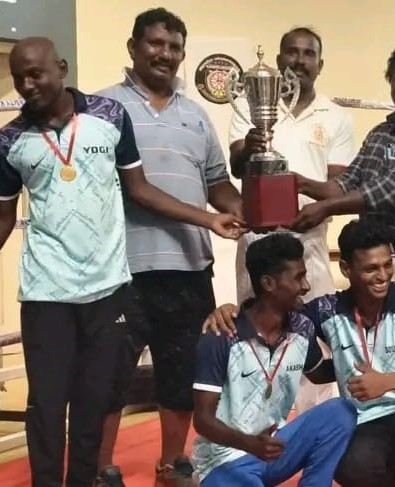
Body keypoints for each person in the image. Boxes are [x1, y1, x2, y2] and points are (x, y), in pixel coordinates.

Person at [0, 37, 241, 487]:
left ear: (61, 69)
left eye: (36, 74)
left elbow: (140, 188)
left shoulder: (109, 116)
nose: (27, 84)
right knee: (47, 406)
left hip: (107, 288)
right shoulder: (10, 140)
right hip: (45, 291)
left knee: (93, 402)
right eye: (19, 77)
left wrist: (209, 219)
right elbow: (3, 219)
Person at [95, 9, 245, 485]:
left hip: (188, 266)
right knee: (110, 375)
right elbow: (127, 188)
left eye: (175, 47)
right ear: (133, 47)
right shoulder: (102, 108)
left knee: (181, 373)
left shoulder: (196, 115)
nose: (165, 54)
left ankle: (172, 463)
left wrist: (251, 210)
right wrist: (211, 218)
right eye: (156, 43)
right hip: (120, 268)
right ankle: (101, 470)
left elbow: (217, 184)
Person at [203, 219, 395, 487]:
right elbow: (272, 312)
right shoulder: (325, 310)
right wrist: (229, 310)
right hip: (369, 422)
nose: (383, 276)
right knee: (347, 464)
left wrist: (388, 381)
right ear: (346, 268)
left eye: (387, 265)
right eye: (371, 268)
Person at [229, 24, 357, 418]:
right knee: (257, 335)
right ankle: (257, 424)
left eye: (308, 53)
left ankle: (315, 424)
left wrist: (302, 190)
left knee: (314, 335)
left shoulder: (335, 117)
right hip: (259, 244)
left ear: (320, 63)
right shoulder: (246, 105)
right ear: (279, 59)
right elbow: (237, 166)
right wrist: (251, 145)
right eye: (292, 52)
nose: (299, 60)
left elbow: (337, 187)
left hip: (309, 244)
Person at [191, 233, 356, 486]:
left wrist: (363, 361)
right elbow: (203, 420)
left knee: (340, 412)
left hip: (272, 449)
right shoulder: (222, 335)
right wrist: (249, 444)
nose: (306, 286)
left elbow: (319, 373)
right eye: (298, 277)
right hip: (223, 461)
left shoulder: (301, 327)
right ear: (268, 283)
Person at [290, 45, 395, 292]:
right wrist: (296, 183)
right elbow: (345, 183)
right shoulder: (379, 133)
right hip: (377, 256)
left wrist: (325, 208)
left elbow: (388, 191)